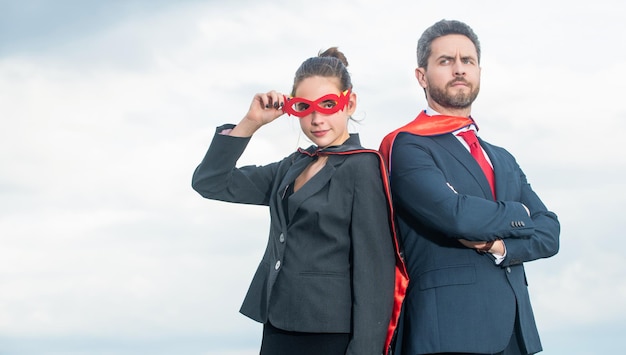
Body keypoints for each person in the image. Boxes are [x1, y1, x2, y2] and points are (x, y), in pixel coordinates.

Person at [192, 47, 408, 355]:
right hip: (279, 323)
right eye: (305, 107)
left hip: (331, 332)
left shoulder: (364, 166)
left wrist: (366, 349)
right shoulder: (292, 165)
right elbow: (210, 183)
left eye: (328, 104)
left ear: (350, 103)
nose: (317, 119)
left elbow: (374, 271)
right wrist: (250, 123)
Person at [379, 20, 560, 355]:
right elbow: (456, 216)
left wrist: (498, 245)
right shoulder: (408, 145)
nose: (459, 69)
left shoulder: (501, 157)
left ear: (479, 71)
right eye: (446, 61)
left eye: (468, 61)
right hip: (447, 330)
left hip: (515, 336)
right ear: (422, 76)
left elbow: (550, 233)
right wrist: (520, 213)